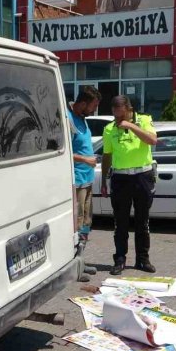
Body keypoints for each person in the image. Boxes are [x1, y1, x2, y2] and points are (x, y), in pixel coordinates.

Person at [100, 96, 158, 275]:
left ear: (129, 109)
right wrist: (103, 180)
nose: (117, 118)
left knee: (142, 221)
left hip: (142, 176)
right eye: (114, 115)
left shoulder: (144, 120)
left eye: (120, 114)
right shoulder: (109, 129)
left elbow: (152, 140)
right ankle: (120, 259)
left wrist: (131, 126)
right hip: (120, 178)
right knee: (120, 223)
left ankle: (142, 259)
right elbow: (107, 155)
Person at [69, 86, 101, 251]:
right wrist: (84, 159)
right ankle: (74, 256)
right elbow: (63, 152)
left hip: (87, 179)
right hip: (77, 180)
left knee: (87, 221)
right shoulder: (68, 119)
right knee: (78, 221)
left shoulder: (82, 118)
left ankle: (81, 255)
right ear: (83, 104)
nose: (94, 110)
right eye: (93, 106)